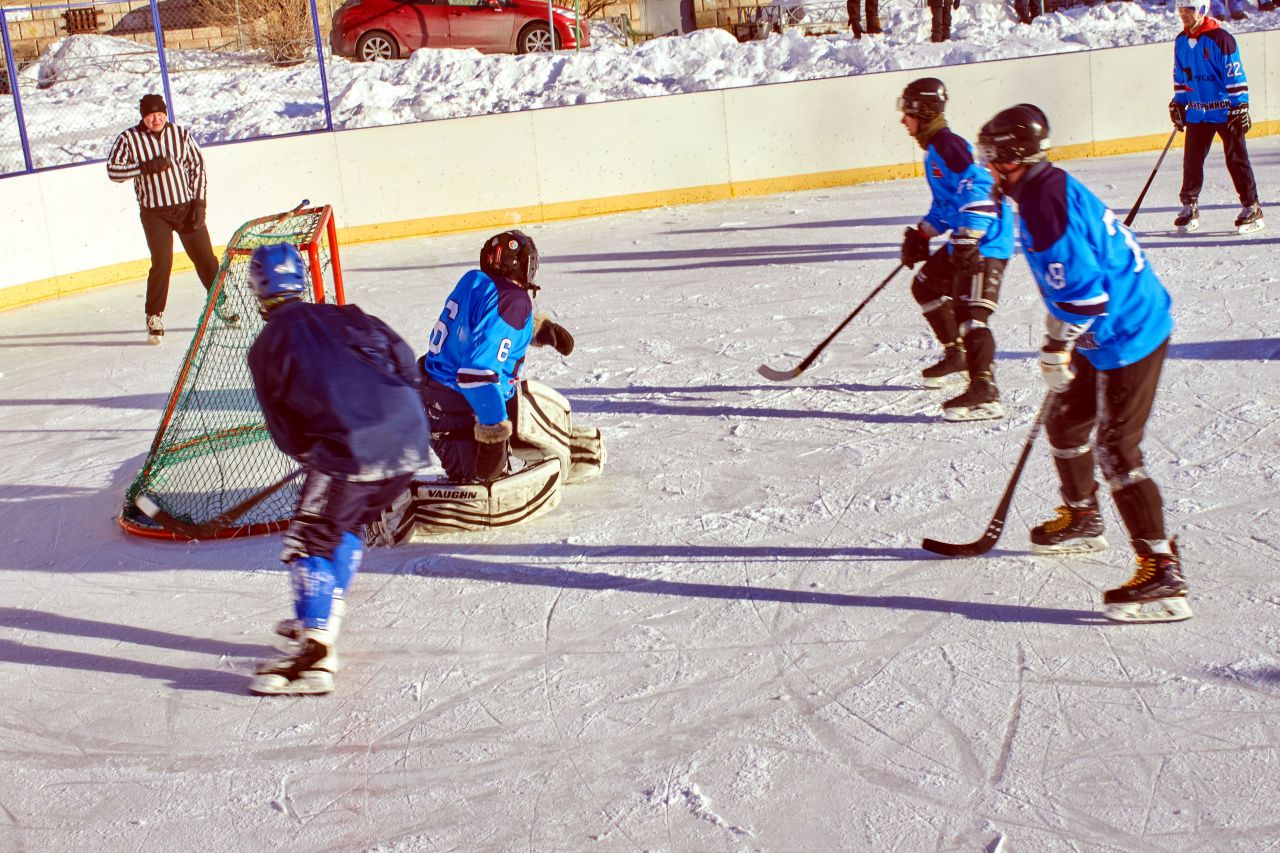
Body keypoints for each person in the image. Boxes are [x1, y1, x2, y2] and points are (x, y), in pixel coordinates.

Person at [976, 104, 1191, 623]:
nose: (987, 168)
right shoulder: (1041, 187)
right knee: (1066, 418)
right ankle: (1082, 516)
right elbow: (1076, 290)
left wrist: (1057, 348)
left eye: (991, 157)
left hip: (1128, 330)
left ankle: (1161, 571)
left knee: (1118, 448)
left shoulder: (1045, 205)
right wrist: (1062, 340)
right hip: (1105, 323)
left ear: (1012, 156)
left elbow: (1086, 299)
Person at [245, 242, 431, 695]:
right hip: (409, 435)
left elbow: (284, 430)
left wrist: (320, 456)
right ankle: (323, 614)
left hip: (350, 446)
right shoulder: (348, 315)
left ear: (257, 289)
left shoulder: (267, 346)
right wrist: (396, 413)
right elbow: (404, 359)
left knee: (310, 537)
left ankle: (316, 651)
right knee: (344, 525)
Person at [897, 77, 1015, 422]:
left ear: (924, 110)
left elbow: (980, 186)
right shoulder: (936, 149)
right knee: (926, 285)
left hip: (987, 240)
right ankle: (957, 354)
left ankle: (985, 390)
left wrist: (969, 236)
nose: (904, 120)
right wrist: (923, 233)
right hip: (968, 236)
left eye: (908, 112)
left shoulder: (948, 145)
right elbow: (949, 204)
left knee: (971, 316)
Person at [419, 230, 574, 484]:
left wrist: (537, 330)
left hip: (435, 393)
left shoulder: (474, 281)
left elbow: (479, 328)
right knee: (484, 479)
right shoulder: (513, 299)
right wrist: (493, 434)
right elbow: (477, 374)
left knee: (514, 410)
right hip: (455, 408)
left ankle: (518, 442)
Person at [107, 93, 228, 344]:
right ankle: (154, 316)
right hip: (154, 214)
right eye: (150, 114)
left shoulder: (181, 134)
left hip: (185, 209)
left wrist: (199, 202)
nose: (156, 118)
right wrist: (144, 167)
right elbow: (113, 171)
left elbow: (197, 167)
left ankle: (220, 304)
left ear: (166, 112)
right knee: (162, 262)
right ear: (143, 116)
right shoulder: (129, 139)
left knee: (206, 258)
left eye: (160, 113)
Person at [1169, 0, 1264, 234]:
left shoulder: (1221, 39)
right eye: (1180, 9)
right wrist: (1179, 104)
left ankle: (1252, 207)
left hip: (1225, 111)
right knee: (1191, 160)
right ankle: (1189, 205)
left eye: (1188, 9)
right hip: (1199, 111)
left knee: (1236, 159)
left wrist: (1240, 107)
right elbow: (1180, 77)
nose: (1184, 14)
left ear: (1201, 9)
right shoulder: (1181, 42)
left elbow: (1235, 74)